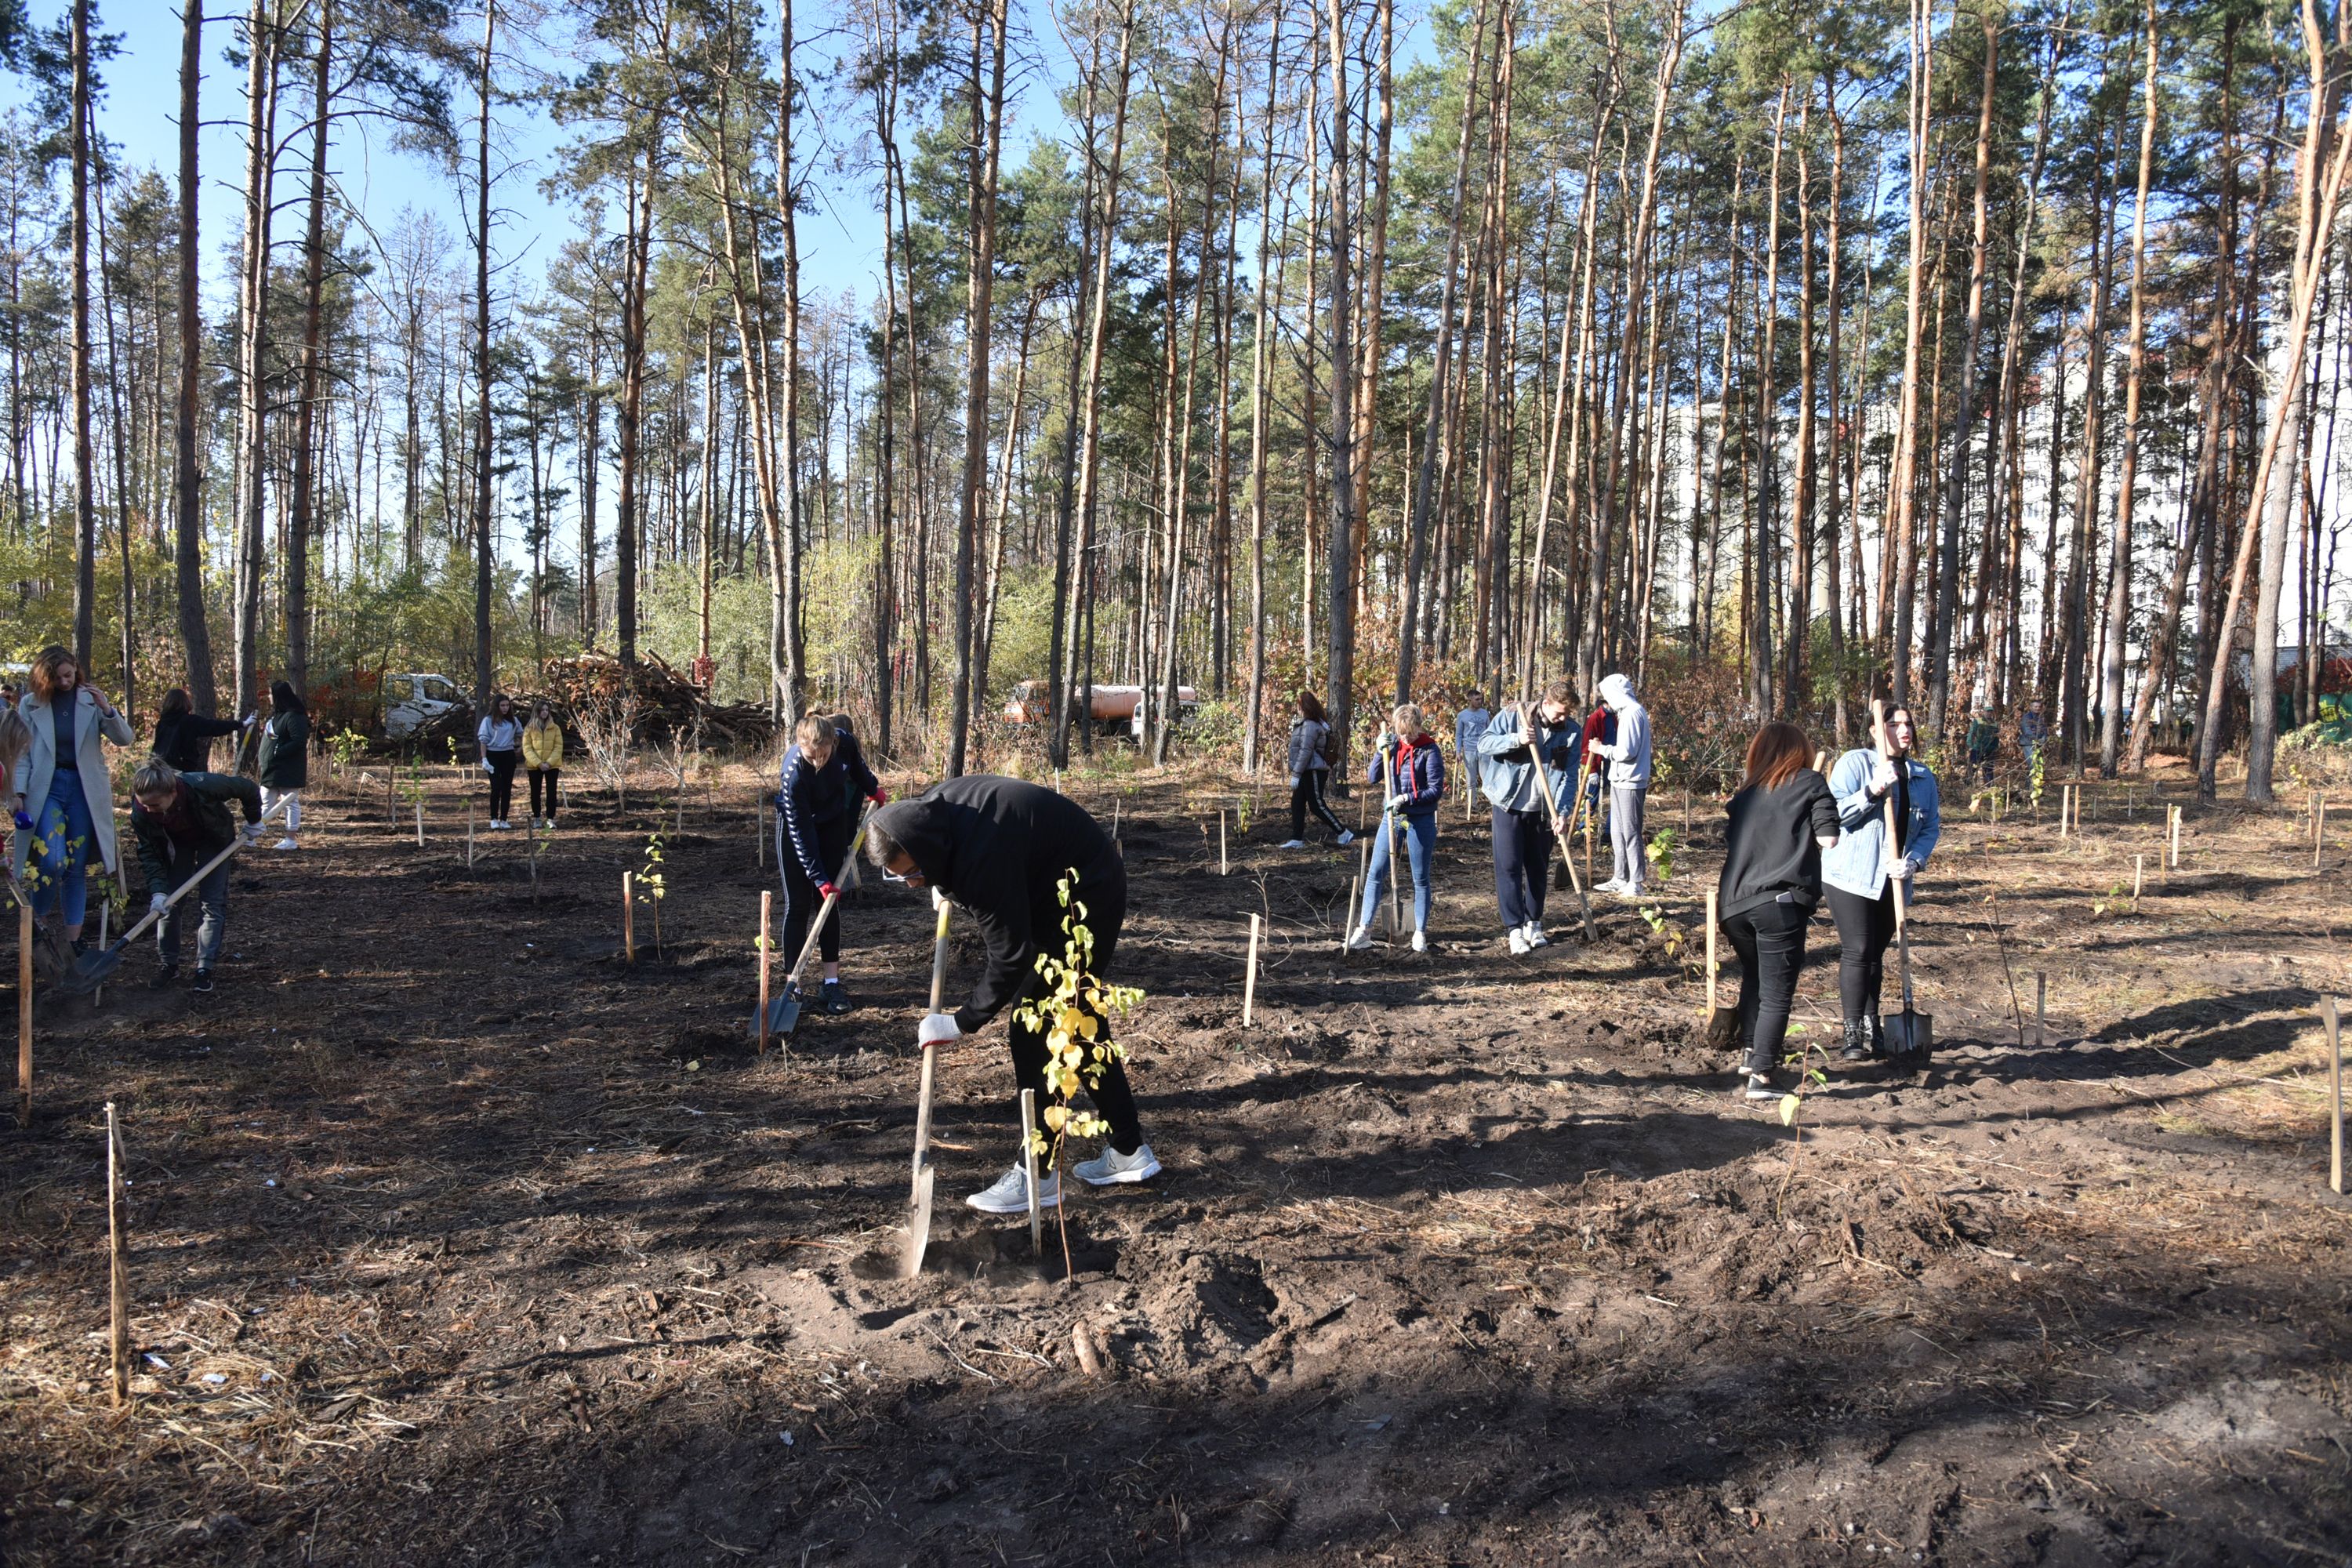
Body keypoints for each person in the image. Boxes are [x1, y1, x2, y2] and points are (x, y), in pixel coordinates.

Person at [867, 775, 1160, 1215]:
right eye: (902, 876)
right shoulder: (932, 815)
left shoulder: (983, 857)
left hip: (1086, 897)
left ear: (928, 849)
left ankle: (1037, 1176)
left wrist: (961, 1021)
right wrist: (939, 884)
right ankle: (1129, 1150)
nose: (910, 884)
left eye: (914, 873)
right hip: (1055, 882)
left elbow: (1011, 956)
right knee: (1079, 1021)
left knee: (1034, 1024)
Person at [1716, 723, 1843, 1101]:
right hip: (1778, 902)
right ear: (1799, 750)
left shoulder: (1744, 795)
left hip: (1734, 906)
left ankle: (1751, 1051)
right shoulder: (1810, 782)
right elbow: (1828, 838)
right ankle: (1763, 1076)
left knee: (1755, 976)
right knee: (1777, 991)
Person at [1823, 703, 1944, 1064]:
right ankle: (1851, 1033)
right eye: (1895, 724)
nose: (1905, 730)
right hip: (1851, 876)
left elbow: (1932, 827)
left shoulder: (1922, 776)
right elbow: (1833, 814)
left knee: (1875, 954)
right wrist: (1873, 790)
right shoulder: (1855, 763)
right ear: (1877, 730)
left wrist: (1914, 862)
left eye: (1909, 724)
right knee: (1858, 949)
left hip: (1894, 880)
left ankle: (1871, 1025)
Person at [10, 646, 135, 950]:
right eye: (58, 678)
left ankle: (74, 942)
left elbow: (125, 739)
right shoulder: (30, 704)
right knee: (51, 861)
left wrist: (107, 709)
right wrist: (18, 792)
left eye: (69, 675)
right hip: (47, 788)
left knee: (76, 867)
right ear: (44, 678)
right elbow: (23, 754)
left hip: (84, 789)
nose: (66, 682)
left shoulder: (89, 699)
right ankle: (37, 929)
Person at [778, 712, 887, 1015]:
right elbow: (800, 833)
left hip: (831, 825)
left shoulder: (846, 743)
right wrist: (818, 876)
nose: (817, 762)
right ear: (800, 746)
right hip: (795, 831)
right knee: (799, 905)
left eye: (822, 755)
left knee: (828, 905)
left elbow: (857, 767)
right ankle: (794, 983)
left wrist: (872, 788)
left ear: (832, 743)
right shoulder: (793, 774)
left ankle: (831, 982)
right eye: (810, 756)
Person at [130, 759, 262, 994]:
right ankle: (168, 965)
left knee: (212, 903)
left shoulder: (201, 785)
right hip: (178, 845)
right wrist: (158, 891)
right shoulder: (141, 812)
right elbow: (150, 854)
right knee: (169, 904)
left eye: (155, 804)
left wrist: (253, 821)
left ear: (172, 793)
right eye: (144, 804)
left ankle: (204, 968)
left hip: (214, 839)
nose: (149, 810)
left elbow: (247, 788)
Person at [1476, 682, 1580, 954]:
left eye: (1567, 714)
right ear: (1546, 703)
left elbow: (1569, 776)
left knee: (1537, 868)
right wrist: (1517, 740)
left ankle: (1533, 923)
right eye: (1559, 713)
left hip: (1543, 811)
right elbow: (1484, 744)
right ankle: (1514, 929)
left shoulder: (1571, 732)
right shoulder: (1513, 715)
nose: (1563, 718)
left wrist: (1563, 813)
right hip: (1508, 804)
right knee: (1509, 867)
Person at [1347, 705, 1446, 954]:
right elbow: (1372, 778)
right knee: (1375, 871)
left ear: (1419, 727)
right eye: (1402, 733)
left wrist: (1406, 798)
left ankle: (1420, 933)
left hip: (1420, 818)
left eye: (1410, 733)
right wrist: (1380, 752)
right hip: (1393, 817)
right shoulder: (1392, 746)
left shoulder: (1430, 749)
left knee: (1420, 878)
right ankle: (1365, 929)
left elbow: (1435, 790)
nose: (1406, 738)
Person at [1588, 673, 1653, 897]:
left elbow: (1627, 751)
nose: (1607, 700)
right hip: (1619, 779)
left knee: (1630, 831)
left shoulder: (1633, 713)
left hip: (1631, 781)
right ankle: (1620, 877)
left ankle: (1635, 881)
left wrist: (1601, 749)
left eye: (1608, 694)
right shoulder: (1625, 713)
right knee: (1617, 830)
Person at [1279, 691, 1354, 849]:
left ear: (1304, 707)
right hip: (1307, 770)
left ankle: (1343, 832)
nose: (1297, 709)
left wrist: (1296, 774)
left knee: (1317, 805)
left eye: (1299, 706)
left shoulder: (1311, 726)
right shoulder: (1309, 724)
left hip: (1314, 770)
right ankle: (1296, 839)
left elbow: (1305, 751)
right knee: (1297, 803)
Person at [256, 681, 310, 851]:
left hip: (288, 769)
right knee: (264, 802)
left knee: (290, 803)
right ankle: (252, 836)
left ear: (280, 696)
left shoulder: (295, 717)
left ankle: (290, 840)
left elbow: (299, 741)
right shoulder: (276, 717)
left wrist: (278, 752)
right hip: (271, 770)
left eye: (272, 694)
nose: (270, 698)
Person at [152, 688, 249, 775]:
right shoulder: (189, 721)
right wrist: (241, 724)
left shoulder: (162, 722)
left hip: (158, 767)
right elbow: (215, 726)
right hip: (181, 770)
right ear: (185, 702)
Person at [476, 695, 524, 829]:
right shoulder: (488, 721)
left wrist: (521, 746)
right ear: (496, 707)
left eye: (507, 705)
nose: (505, 708)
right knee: (496, 787)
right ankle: (493, 818)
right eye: (502, 706)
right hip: (493, 754)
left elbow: (522, 734)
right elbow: (483, 741)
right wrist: (484, 758)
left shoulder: (513, 721)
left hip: (508, 754)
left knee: (507, 788)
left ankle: (504, 818)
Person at [522, 702, 564, 828]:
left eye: (547, 710)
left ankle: (550, 818)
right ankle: (537, 818)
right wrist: (539, 763)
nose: (545, 712)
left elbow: (558, 747)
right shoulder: (529, 728)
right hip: (535, 766)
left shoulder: (555, 728)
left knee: (551, 792)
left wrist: (549, 762)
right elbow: (527, 748)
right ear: (537, 712)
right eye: (542, 710)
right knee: (535, 792)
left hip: (552, 765)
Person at [1454, 691, 1492, 773]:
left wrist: (1491, 748)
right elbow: (1459, 735)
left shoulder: (1484, 713)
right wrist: (1458, 752)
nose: (1480, 701)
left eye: (1481, 699)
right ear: (1470, 700)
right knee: (1471, 782)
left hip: (1483, 749)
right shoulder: (1462, 715)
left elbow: (1489, 731)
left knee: (1486, 780)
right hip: (1469, 751)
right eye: (1477, 699)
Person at [1965, 706, 2000, 784]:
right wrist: (1970, 745)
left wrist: (1995, 747)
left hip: (1990, 749)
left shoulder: (1995, 724)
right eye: (1988, 712)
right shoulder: (1978, 721)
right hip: (1978, 747)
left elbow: (1996, 737)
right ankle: (1967, 783)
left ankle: (1989, 785)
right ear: (1984, 712)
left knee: (1989, 768)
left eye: (1991, 712)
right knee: (1973, 766)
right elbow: (1972, 733)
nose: (1989, 713)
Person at [2018, 703, 2048, 775]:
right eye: (2035, 707)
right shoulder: (2026, 717)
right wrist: (2036, 739)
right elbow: (2026, 731)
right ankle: (2030, 784)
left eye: (2039, 707)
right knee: (2032, 764)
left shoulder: (2041, 718)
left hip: (2039, 744)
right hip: (2028, 743)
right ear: (2031, 707)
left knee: (2038, 764)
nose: (2037, 708)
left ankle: (2035, 783)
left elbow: (2045, 730)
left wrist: (2043, 739)